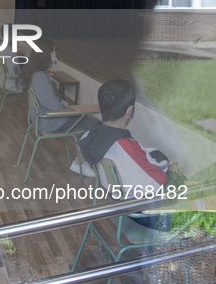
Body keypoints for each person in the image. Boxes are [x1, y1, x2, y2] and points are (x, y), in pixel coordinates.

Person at [77, 79, 185, 230]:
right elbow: (162, 187)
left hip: (121, 201)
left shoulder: (91, 135)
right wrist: (173, 170)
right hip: (146, 214)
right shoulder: (127, 149)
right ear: (130, 111)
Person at [17, 38, 100, 177]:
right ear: (45, 54)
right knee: (95, 125)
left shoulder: (36, 73)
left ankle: (81, 160)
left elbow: (48, 99)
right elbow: (53, 105)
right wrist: (62, 103)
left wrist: (61, 101)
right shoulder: (40, 76)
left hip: (43, 119)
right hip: (50, 121)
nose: (55, 54)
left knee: (84, 121)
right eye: (53, 51)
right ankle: (79, 163)